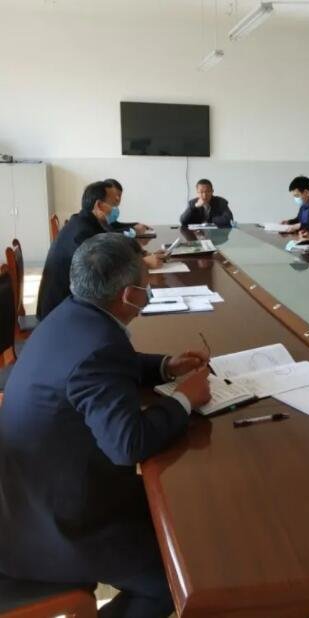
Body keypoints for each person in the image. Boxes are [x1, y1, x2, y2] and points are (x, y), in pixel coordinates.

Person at [0, 233, 211, 618]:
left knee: (179, 516)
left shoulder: (70, 314)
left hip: (26, 494)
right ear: (129, 296)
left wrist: (166, 366)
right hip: (53, 525)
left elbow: (106, 366)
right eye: (146, 287)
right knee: (173, 579)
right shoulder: (99, 346)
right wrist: (184, 400)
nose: (148, 294)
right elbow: (128, 445)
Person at [36, 181, 163, 320]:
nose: (116, 209)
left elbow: (115, 245)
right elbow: (105, 269)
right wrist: (144, 263)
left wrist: (142, 255)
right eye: (113, 205)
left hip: (73, 303)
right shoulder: (82, 233)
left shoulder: (87, 221)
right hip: (59, 313)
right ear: (99, 206)